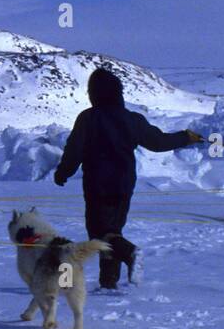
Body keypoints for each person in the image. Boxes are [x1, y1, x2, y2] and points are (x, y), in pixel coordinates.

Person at [54, 68, 204, 289]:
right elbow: (158, 142)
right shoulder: (131, 119)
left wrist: (63, 172)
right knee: (112, 231)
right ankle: (108, 283)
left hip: (98, 184)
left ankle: (130, 253)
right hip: (124, 183)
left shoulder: (88, 118)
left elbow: (74, 150)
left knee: (100, 233)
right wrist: (185, 137)